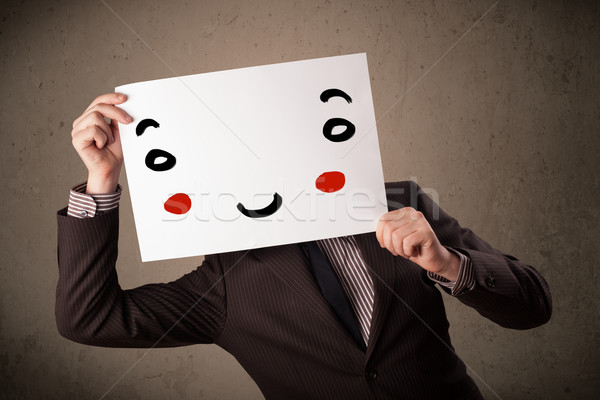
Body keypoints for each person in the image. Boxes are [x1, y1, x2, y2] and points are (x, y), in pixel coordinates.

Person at [56, 93, 552, 400]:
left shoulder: (400, 204)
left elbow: (532, 306)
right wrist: (101, 181)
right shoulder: (227, 282)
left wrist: (447, 263)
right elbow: (89, 318)